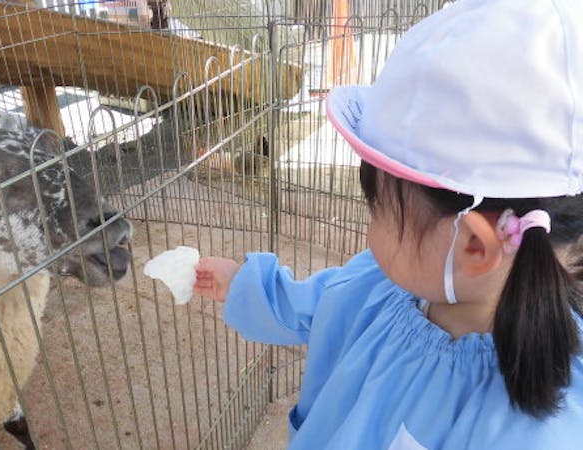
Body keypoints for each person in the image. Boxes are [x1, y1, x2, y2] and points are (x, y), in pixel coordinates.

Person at [194, 0, 583, 448]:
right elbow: (320, 303)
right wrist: (244, 283)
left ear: (475, 244)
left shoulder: (541, 434)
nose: (371, 224)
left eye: (379, 207)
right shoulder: (382, 285)